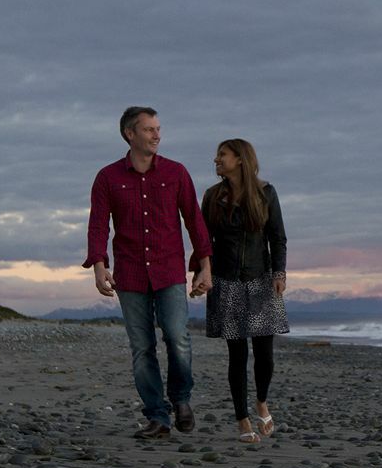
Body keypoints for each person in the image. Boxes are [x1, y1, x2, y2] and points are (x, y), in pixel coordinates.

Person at [85, 106, 211, 440]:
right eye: (149, 129)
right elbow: (98, 225)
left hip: (169, 269)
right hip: (130, 273)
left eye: (158, 129)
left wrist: (204, 266)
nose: (157, 135)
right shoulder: (108, 178)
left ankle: (181, 400)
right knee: (142, 348)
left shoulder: (176, 173)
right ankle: (158, 417)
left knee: (177, 337)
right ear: (130, 134)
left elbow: (194, 222)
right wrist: (99, 267)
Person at [202, 138, 288, 444]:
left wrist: (279, 273)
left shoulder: (266, 193)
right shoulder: (212, 197)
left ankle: (261, 401)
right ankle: (242, 420)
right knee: (236, 355)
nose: (216, 160)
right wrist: (204, 272)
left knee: (264, 355)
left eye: (222, 155)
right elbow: (204, 242)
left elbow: (277, 237)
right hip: (226, 283)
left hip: (260, 280)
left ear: (240, 159)